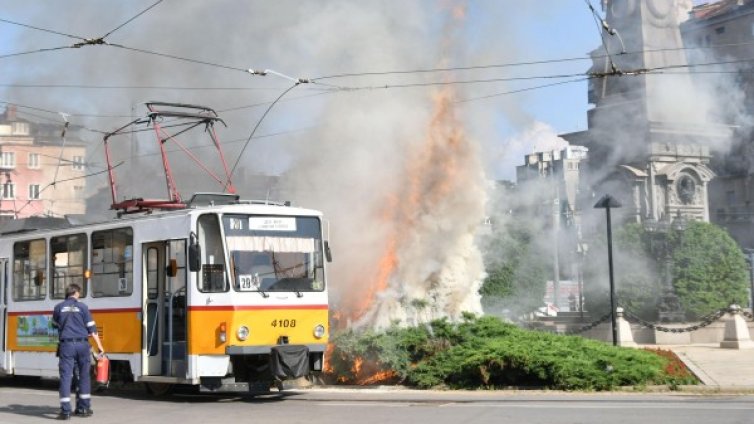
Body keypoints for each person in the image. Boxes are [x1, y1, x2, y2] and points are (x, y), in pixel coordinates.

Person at [52, 283, 105, 420]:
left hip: (66, 345)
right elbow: (92, 331)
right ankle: (83, 408)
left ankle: (65, 411)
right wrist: (100, 347)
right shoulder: (83, 307)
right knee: (84, 376)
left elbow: (55, 325)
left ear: (67, 293)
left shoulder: (58, 307)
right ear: (77, 293)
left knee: (65, 377)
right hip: (82, 345)